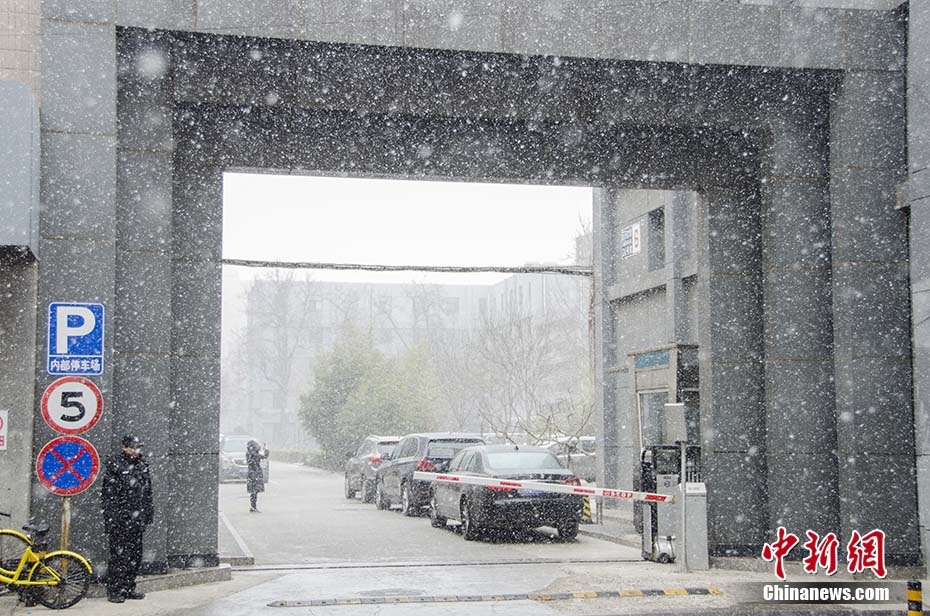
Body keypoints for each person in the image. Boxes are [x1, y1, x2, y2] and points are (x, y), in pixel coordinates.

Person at [101, 435, 153, 604]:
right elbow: (109, 497)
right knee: (119, 557)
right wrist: (113, 519)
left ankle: (129, 587)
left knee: (135, 555)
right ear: (125, 448)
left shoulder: (142, 465)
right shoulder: (116, 466)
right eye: (134, 447)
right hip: (121, 520)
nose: (137, 450)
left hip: (137, 520)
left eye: (139, 447)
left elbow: (147, 493)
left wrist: (147, 514)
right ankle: (115, 590)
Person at [246, 440, 269, 512]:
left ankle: (253, 506)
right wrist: (266, 449)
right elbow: (264, 456)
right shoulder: (254, 454)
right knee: (254, 491)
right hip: (255, 474)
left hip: (252, 474)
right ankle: (253, 506)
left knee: (254, 491)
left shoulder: (249, 453)